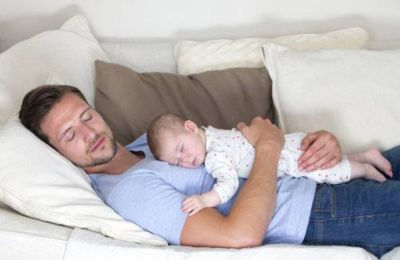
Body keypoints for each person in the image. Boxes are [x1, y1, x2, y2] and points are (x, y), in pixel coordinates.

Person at [19, 85, 400, 258]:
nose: (90, 133)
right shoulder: (129, 191)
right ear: (57, 153)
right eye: (71, 134)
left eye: (87, 116)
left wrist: (321, 145)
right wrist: (270, 145)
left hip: (313, 175)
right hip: (318, 215)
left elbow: (234, 149)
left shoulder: (148, 145)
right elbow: (240, 235)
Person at [146, 113, 392, 216]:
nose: (186, 160)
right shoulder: (212, 133)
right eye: (177, 162)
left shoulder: (214, 156)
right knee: (330, 162)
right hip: (289, 142)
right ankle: (367, 155)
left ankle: (368, 170)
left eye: (181, 149)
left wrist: (204, 200)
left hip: (291, 159)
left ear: (191, 127)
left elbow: (228, 183)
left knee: (334, 172)